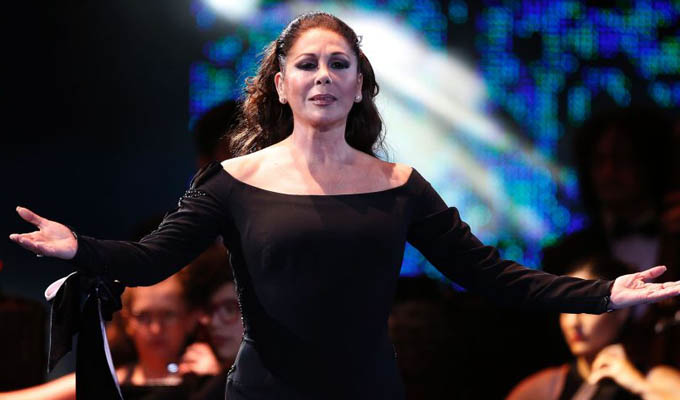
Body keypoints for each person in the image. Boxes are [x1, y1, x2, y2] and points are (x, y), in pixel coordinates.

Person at [9, 12, 680, 400]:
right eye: (307, 65)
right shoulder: (234, 180)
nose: (323, 77)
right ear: (280, 83)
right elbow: (152, 258)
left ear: (361, 85)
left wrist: (604, 293)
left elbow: (490, 275)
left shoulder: (399, 184)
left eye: (339, 64)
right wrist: (79, 246)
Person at [507, 258, 680, 400]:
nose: (572, 322)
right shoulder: (545, 387)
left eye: (585, 309)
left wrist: (638, 385)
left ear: (622, 311)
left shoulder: (656, 380)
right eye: (565, 309)